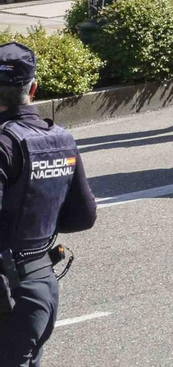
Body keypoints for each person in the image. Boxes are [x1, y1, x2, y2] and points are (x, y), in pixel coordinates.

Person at [0, 42, 98, 366]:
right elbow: (83, 216)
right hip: (42, 285)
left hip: (8, 292)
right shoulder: (61, 139)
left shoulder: (4, 144)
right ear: (34, 88)